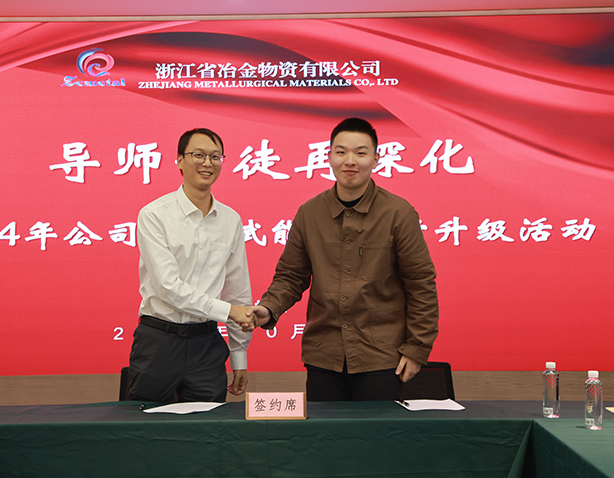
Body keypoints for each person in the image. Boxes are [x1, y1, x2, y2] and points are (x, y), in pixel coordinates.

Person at [250, 117, 439, 401]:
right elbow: (290, 276)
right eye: (341, 152)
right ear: (328, 157)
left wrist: (416, 349)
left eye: (360, 153)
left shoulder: (398, 214)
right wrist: (269, 308)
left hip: (382, 357)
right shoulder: (309, 213)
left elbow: (421, 284)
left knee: (376, 430)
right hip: (324, 355)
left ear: (375, 159)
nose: (350, 161)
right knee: (325, 430)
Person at [127, 127, 255, 403]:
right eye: (199, 155)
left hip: (206, 345)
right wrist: (228, 311)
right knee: (144, 424)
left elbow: (238, 290)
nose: (207, 163)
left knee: (209, 426)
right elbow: (168, 287)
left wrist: (239, 356)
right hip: (159, 341)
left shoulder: (230, 220)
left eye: (215, 156)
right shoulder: (154, 215)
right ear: (180, 160)